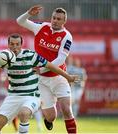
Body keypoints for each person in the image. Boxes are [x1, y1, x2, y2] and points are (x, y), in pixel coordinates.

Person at [0, 33, 78, 134]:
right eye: (12, 44)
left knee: (24, 114)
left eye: (17, 44)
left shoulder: (30, 55)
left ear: (21, 45)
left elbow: (50, 66)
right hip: (13, 96)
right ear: (8, 45)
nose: (14, 47)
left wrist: (67, 76)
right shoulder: (6, 57)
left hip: (31, 95)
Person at [17, 5, 77, 133]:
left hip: (58, 77)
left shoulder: (67, 36)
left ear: (64, 21)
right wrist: (28, 13)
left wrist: (42, 68)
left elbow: (61, 59)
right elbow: (20, 21)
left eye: (58, 19)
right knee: (51, 116)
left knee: (67, 110)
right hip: (41, 81)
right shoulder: (41, 27)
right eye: (54, 18)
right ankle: (48, 120)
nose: (55, 20)